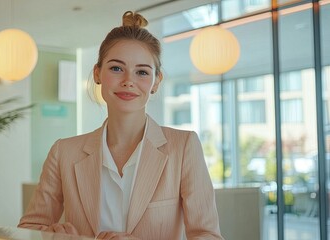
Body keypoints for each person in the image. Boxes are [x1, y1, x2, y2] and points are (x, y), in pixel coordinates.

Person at [18, 11, 223, 240]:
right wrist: (54, 236)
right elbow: (29, 228)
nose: (128, 80)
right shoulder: (63, 152)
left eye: (142, 72)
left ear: (156, 82)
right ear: (98, 74)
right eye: (116, 68)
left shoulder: (183, 147)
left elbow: (209, 236)